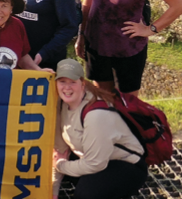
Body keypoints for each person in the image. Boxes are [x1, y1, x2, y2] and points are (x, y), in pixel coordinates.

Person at [52, 59, 148, 199]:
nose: (67, 88)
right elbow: (59, 151)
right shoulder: (62, 104)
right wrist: (53, 192)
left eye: (72, 82)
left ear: (82, 84)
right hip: (94, 158)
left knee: (85, 194)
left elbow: (94, 164)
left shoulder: (96, 115)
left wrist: (61, 166)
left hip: (126, 165)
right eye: (62, 82)